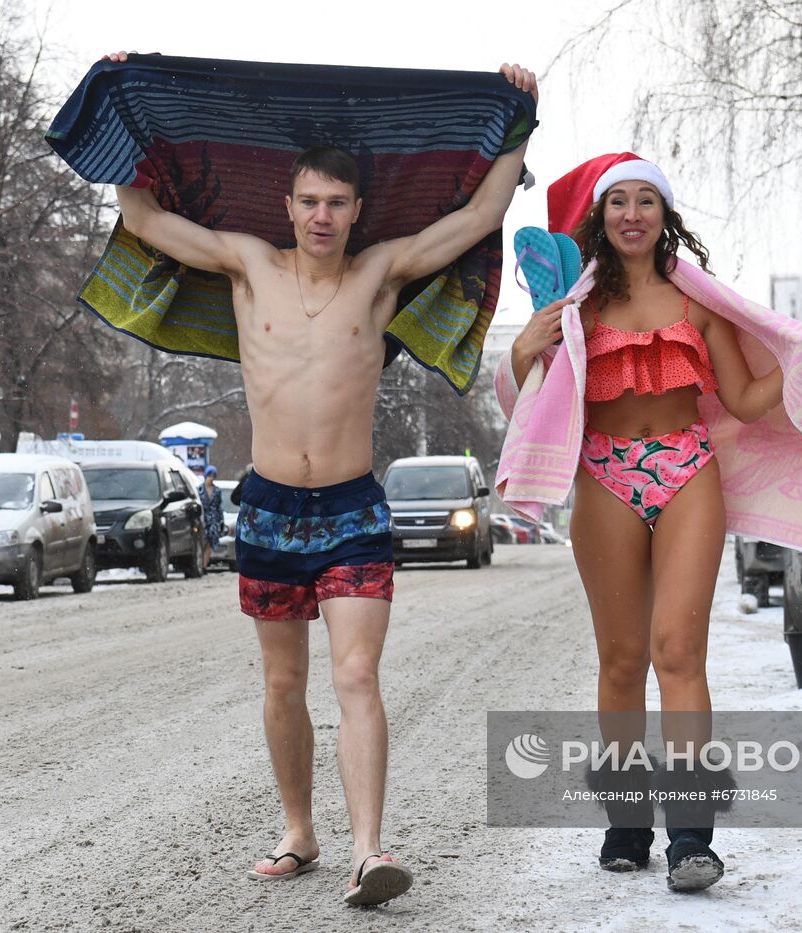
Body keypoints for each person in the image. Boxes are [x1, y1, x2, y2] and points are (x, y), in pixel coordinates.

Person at [103, 51, 538, 906]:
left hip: (350, 507)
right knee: (282, 683)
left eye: (337, 203)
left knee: (356, 677)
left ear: (357, 210)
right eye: (309, 201)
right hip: (265, 508)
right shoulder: (246, 262)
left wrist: (517, 118)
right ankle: (300, 830)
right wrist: (125, 106)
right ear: (288, 204)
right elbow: (145, 218)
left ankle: (371, 850)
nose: (322, 216)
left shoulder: (379, 275)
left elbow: (484, 209)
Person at [507, 155, 784, 892]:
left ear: (666, 214)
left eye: (646, 201)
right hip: (603, 475)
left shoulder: (698, 305)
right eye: (618, 202)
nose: (632, 213)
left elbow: (749, 399)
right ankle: (626, 821)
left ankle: (693, 836)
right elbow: (526, 406)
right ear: (599, 217)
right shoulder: (576, 308)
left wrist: (799, 356)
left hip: (688, 469)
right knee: (623, 659)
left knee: (679, 653)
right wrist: (521, 348)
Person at [199, 465, 223, 570]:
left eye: (213, 476)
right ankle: (200, 564)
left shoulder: (217, 491)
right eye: (210, 475)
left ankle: (204, 565)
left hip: (213, 520)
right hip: (202, 519)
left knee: (209, 543)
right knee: (201, 542)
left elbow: (219, 507)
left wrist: (220, 521)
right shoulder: (199, 489)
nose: (211, 478)